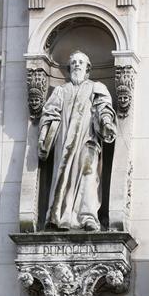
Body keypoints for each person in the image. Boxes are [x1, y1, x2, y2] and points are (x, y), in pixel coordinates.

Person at [38, 50, 117, 231]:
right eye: (74, 62)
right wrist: (43, 136)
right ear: (69, 68)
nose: (77, 65)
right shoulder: (60, 91)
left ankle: (88, 217)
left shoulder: (96, 87)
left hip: (88, 140)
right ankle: (60, 216)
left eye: (81, 62)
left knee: (89, 175)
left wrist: (106, 122)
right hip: (64, 143)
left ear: (88, 68)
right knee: (63, 177)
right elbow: (49, 114)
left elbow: (104, 108)